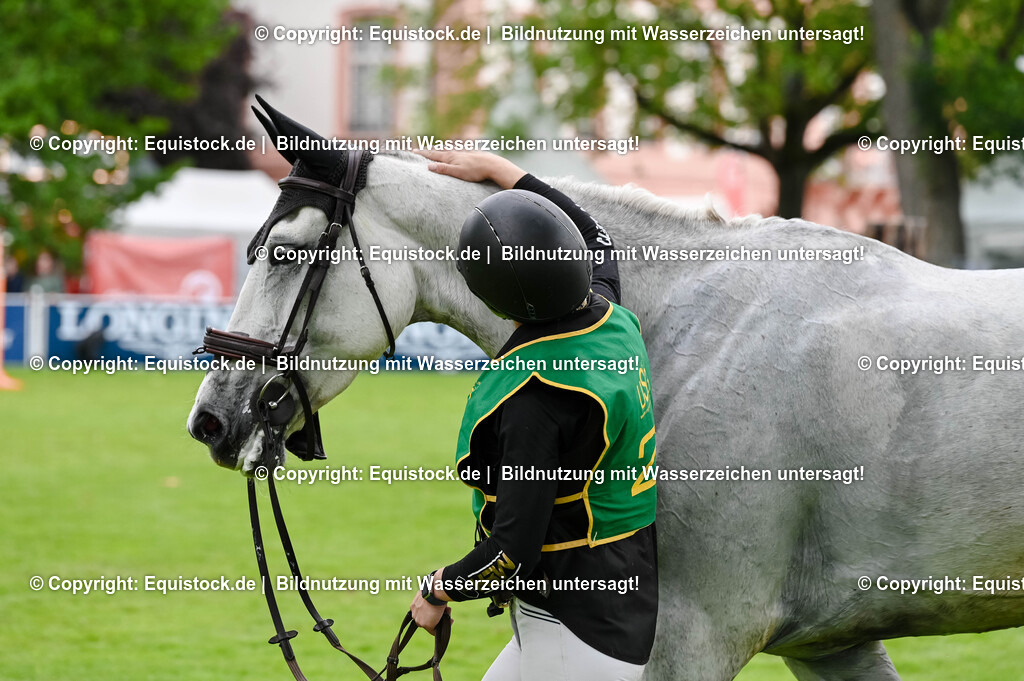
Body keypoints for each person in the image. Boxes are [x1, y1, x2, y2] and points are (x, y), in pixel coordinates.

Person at [409, 150, 659, 681]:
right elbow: (596, 236)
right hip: (608, 606)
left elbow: (511, 550)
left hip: (576, 631)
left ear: (497, 303)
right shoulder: (610, 315)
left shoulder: (532, 400)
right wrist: (504, 172)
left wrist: (439, 588)